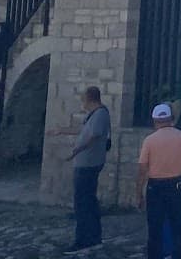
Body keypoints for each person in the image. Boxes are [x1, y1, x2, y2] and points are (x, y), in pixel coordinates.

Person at [137, 102, 181, 259]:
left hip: (156, 187)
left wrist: (139, 194)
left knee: (155, 227)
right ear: (171, 119)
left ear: (155, 120)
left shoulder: (149, 141)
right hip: (178, 184)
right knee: (179, 226)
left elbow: (142, 169)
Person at [65, 86, 111, 254]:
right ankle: (93, 238)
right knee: (88, 201)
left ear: (90, 99)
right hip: (86, 163)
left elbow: (94, 136)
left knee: (83, 203)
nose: (82, 103)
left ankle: (83, 240)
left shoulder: (99, 114)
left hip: (88, 164)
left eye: (83, 100)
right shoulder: (95, 115)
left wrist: (76, 151)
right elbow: (85, 131)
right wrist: (61, 131)